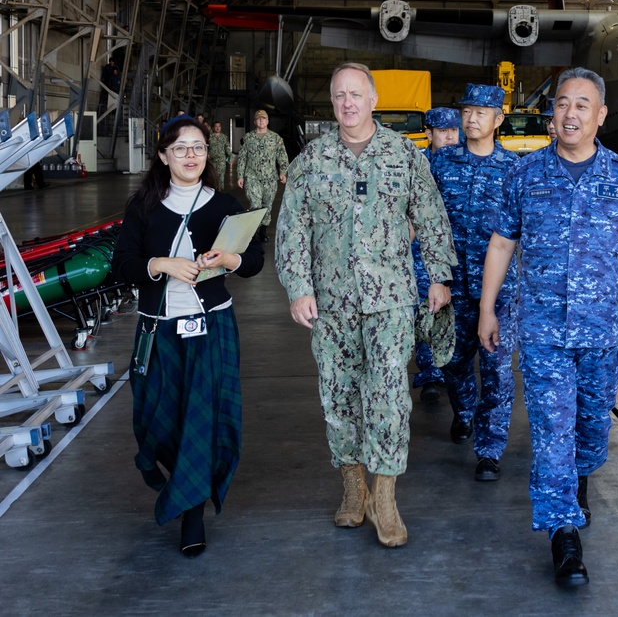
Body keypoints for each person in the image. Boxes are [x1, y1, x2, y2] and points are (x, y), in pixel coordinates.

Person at [478, 68, 618, 586]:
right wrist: (488, 308)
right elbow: (503, 244)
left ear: (600, 116)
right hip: (542, 331)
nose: (569, 113)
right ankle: (564, 536)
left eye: (582, 105)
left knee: (592, 427)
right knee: (553, 431)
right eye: (562, 104)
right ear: (553, 115)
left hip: (600, 333)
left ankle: (579, 476)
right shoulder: (525, 175)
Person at [275, 63, 456, 548]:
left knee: (389, 397)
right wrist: (298, 287)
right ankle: (353, 490)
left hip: (391, 300)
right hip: (332, 304)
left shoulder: (403, 154)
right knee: (338, 397)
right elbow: (292, 229)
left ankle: (386, 496)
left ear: (373, 99)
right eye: (339, 96)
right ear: (331, 103)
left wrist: (439, 277)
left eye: (356, 94)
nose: (347, 103)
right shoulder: (313, 159)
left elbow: (431, 215)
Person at [110, 115, 264, 557]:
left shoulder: (226, 206)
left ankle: (191, 515)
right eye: (180, 148)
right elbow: (122, 264)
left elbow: (253, 259)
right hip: (158, 331)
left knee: (203, 418)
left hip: (211, 327)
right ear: (163, 156)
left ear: (206, 153)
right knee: (157, 419)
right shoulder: (143, 206)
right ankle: (176, 482)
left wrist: (230, 259)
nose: (190, 155)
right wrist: (161, 265)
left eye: (197, 147)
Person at [430, 85, 520, 481]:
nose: (471, 119)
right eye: (466, 111)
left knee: (498, 370)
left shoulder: (515, 169)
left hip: (499, 291)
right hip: (454, 286)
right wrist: (436, 277)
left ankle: (489, 449)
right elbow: (428, 223)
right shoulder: (440, 163)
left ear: (498, 120)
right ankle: (464, 410)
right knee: (451, 363)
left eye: (482, 112)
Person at [410, 106, 462, 404]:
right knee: (426, 313)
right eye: (443, 131)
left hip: (462, 254)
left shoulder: (467, 163)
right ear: (429, 133)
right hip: (424, 256)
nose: (450, 136)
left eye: (454, 130)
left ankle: (453, 370)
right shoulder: (418, 165)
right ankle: (430, 373)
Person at [236, 109, 289, 244]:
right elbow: (242, 157)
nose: (261, 120)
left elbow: (282, 156)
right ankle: (253, 233)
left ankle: (263, 231)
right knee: (255, 205)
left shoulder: (275, 138)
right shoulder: (248, 138)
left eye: (263, 118)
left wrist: (283, 172)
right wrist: (240, 175)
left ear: (267, 121)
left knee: (267, 206)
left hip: (270, 178)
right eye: (258, 118)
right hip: (252, 176)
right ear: (255, 122)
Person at [208, 121, 233, 190]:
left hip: (221, 160)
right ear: (213, 128)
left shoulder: (224, 137)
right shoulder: (210, 137)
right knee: (212, 176)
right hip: (212, 160)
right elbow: (206, 147)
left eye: (219, 126)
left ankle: (220, 191)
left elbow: (227, 148)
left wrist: (230, 157)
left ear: (221, 127)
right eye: (216, 126)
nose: (217, 128)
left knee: (221, 177)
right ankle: (212, 191)